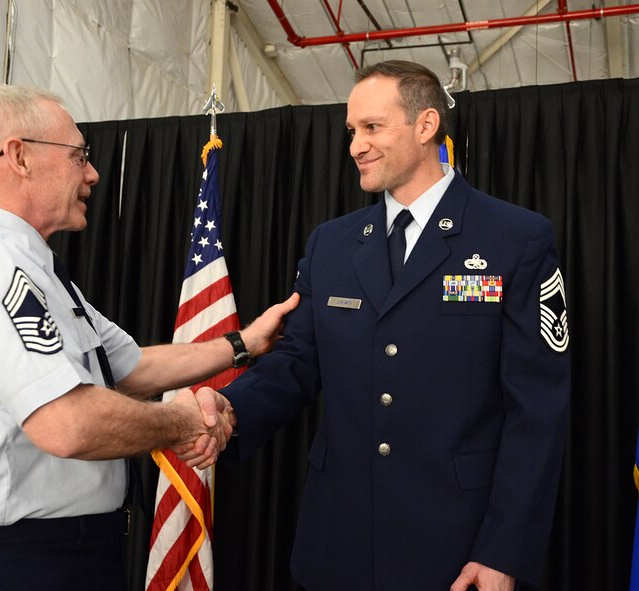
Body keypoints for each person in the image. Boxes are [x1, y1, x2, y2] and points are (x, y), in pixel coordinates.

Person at [0, 84, 298, 591]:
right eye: (79, 156)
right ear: (19, 156)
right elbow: (66, 424)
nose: (91, 173)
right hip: (13, 564)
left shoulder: (33, 268)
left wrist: (244, 343)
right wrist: (178, 423)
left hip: (60, 555)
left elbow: (130, 368)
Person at [217, 60, 571, 591]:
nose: (356, 145)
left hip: (456, 545)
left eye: (372, 128)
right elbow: (298, 361)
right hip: (338, 542)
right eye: (352, 132)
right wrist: (231, 410)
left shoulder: (515, 238)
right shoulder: (331, 244)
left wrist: (505, 551)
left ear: (426, 126)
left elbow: (537, 411)